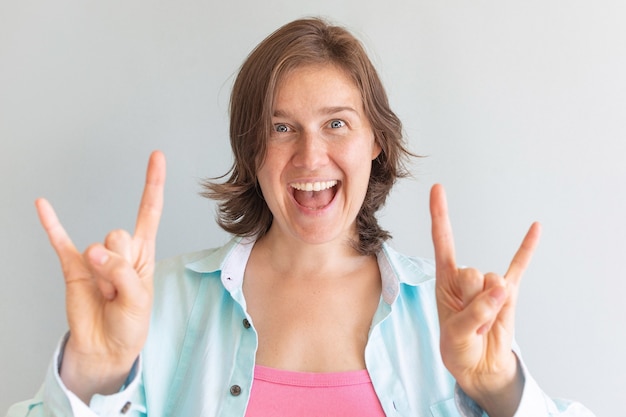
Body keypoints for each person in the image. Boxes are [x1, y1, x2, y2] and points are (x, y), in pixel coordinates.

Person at [6, 17, 594, 417]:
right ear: (251, 150)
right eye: (281, 128)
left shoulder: (450, 318)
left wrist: (501, 390)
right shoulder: (155, 304)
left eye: (336, 123)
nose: (310, 157)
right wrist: (89, 376)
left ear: (375, 143)